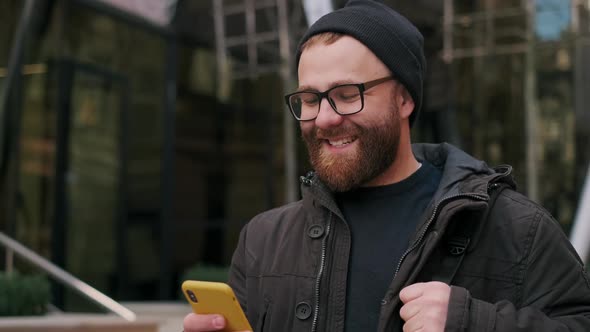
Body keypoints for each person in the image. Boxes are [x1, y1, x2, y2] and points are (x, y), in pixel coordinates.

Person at [184, 0, 590, 331]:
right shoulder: (263, 240)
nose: (324, 118)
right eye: (309, 99)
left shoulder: (513, 228)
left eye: (347, 94)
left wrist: (473, 322)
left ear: (404, 100)